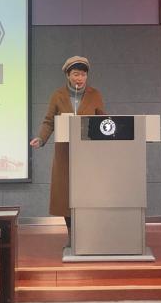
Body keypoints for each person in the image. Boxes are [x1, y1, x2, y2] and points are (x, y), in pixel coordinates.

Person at [29, 56, 106, 227]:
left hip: (89, 153)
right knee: (66, 195)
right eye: (76, 74)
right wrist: (41, 138)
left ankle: (87, 233)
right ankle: (71, 233)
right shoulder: (58, 95)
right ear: (68, 75)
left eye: (83, 75)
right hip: (65, 153)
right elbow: (49, 121)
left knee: (88, 192)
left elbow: (102, 121)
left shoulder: (95, 95)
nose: (80, 78)